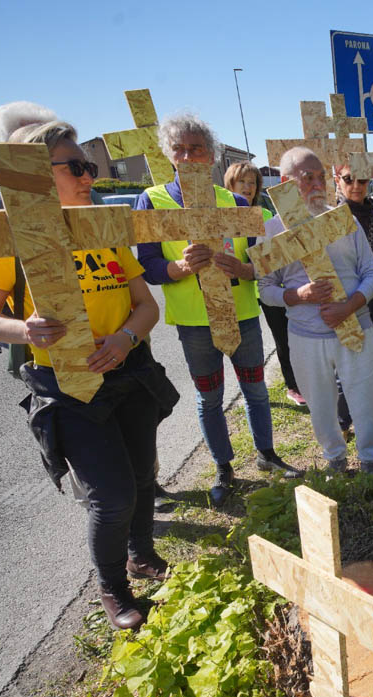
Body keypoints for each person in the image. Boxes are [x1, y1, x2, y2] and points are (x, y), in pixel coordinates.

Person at [0, 120, 178, 630]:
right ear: (36, 176)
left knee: (144, 475)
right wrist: (24, 329)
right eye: (77, 167)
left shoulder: (100, 226)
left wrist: (124, 339)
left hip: (129, 372)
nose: (90, 176)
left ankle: (141, 554)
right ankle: (113, 588)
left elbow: (146, 306)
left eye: (90, 166)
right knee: (113, 493)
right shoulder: (4, 237)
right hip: (67, 386)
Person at [134, 114, 302, 507]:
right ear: (168, 154)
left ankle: (267, 455)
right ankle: (223, 467)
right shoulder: (152, 200)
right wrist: (180, 267)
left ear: (212, 156)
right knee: (209, 398)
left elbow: (264, 259)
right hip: (195, 321)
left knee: (256, 390)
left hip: (241, 312)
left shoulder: (236, 202)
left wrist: (245, 269)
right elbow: (149, 267)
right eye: (181, 149)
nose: (189, 156)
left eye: (197, 149)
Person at [258, 147, 373, 473]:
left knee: (366, 397)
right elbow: (265, 289)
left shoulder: (344, 220)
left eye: (320, 177)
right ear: (285, 182)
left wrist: (350, 306)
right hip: (306, 335)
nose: (317, 185)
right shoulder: (272, 230)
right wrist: (297, 295)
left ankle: (370, 460)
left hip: (356, 325)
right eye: (307, 178)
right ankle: (335, 458)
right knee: (321, 404)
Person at [222, 162, 305, 407]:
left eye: (252, 183)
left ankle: (294, 384)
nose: (247, 187)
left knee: (283, 335)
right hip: (234, 292)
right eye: (242, 182)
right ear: (230, 184)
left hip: (269, 284)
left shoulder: (266, 216)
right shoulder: (221, 217)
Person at [333, 161, 373, 432]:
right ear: (337, 180)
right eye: (348, 179)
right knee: (343, 370)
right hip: (340, 301)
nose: (356, 185)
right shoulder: (329, 218)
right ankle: (344, 423)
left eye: (363, 180)